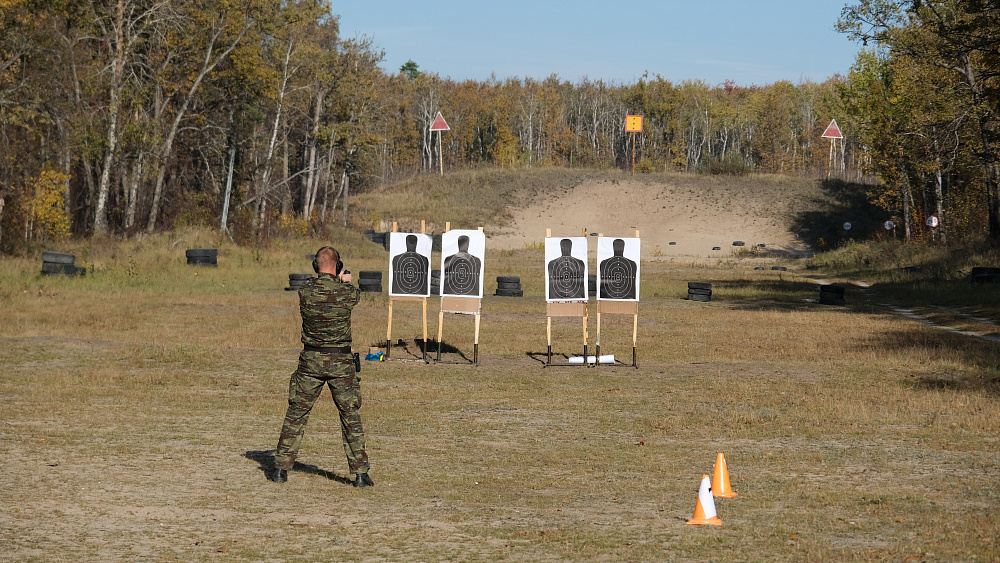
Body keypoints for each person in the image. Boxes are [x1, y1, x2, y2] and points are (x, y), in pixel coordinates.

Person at [269, 246, 373, 488]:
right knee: (350, 415)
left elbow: (318, 288)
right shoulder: (346, 292)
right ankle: (359, 474)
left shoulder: (305, 290)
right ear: (337, 267)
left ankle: (280, 469)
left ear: (316, 267)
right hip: (340, 362)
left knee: (297, 413)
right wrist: (345, 281)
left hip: (311, 361)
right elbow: (354, 295)